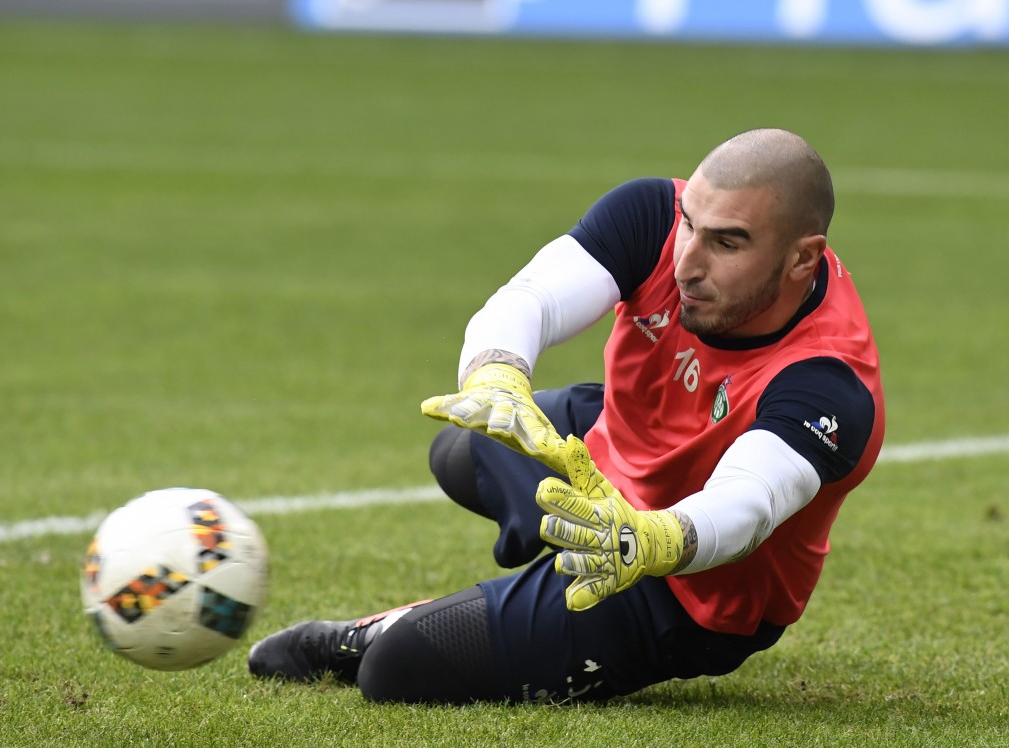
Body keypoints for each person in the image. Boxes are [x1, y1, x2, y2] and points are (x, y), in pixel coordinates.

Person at [248, 128, 885, 704]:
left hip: (689, 586)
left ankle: (387, 627)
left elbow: (749, 503)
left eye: (728, 243)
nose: (687, 262)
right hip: (613, 446)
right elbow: (533, 298)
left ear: (803, 258)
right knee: (460, 449)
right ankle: (559, 557)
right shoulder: (652, 216)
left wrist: (651, 539)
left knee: (397, 668)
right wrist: (498, 374)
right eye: (691, 225)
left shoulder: (829, 384)